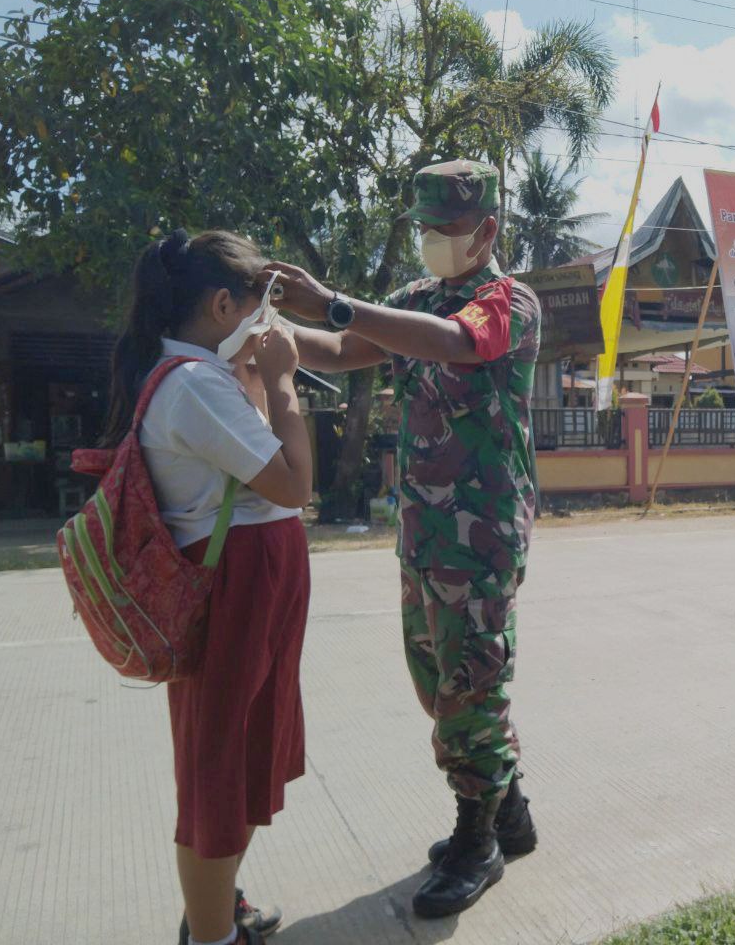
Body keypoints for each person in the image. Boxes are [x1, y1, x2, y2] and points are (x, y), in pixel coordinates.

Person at [262, 159, 540, 919]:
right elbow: (342, 351)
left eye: (447, 229)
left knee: (470, 685)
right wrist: (271, 328)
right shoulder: (411, 299)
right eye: (425, 228)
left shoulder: (509, 302)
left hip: (480, 535)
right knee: (437, 681)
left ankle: (477, 839)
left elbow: (456, 342)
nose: (433, 242)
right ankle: (508, 815)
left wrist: (338, 304)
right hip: (422, 528)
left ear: (487, 229)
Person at [100, 229, 313, 945]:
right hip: (236, 591)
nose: (270, 322)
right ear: (225, 304)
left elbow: (261, 471)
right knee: (218, 771)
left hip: (255, 587)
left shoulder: (206, 378)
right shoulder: (190, 385)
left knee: (245, 758)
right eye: (262, 305)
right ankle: (212, 937)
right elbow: (293, 482)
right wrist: (283, 381)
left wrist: (258, 378)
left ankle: (217, 911)